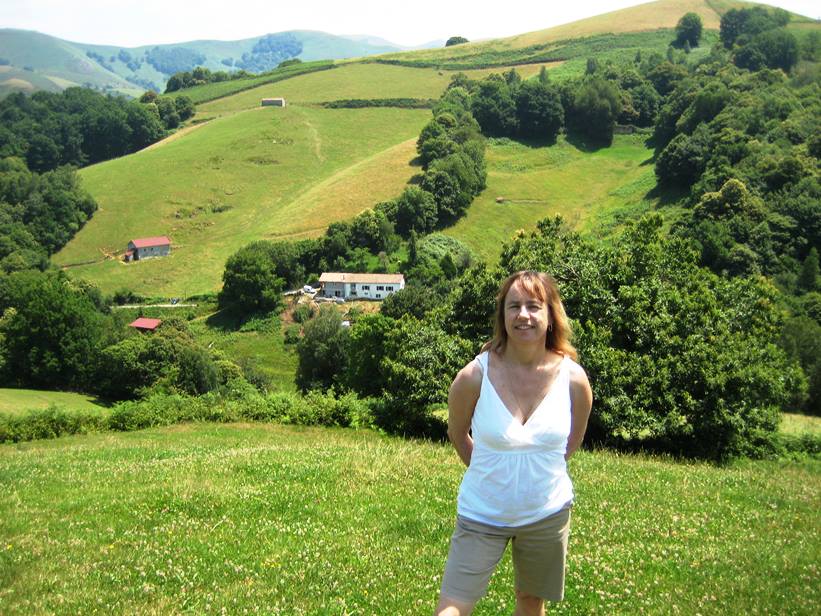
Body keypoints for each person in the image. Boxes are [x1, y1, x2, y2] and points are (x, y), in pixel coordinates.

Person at [435, 270, 593, 616]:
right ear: (502, 317)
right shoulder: (473, 377)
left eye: (534, 306)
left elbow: (571, 442)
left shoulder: (574, 380)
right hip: (482, 512)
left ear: (551, 316)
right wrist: (488, 471)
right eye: (514, 306)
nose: (523, 315)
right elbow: (457, 433)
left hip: (546, 513)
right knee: (452, 608)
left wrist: (540, 470)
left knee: (530, 603)